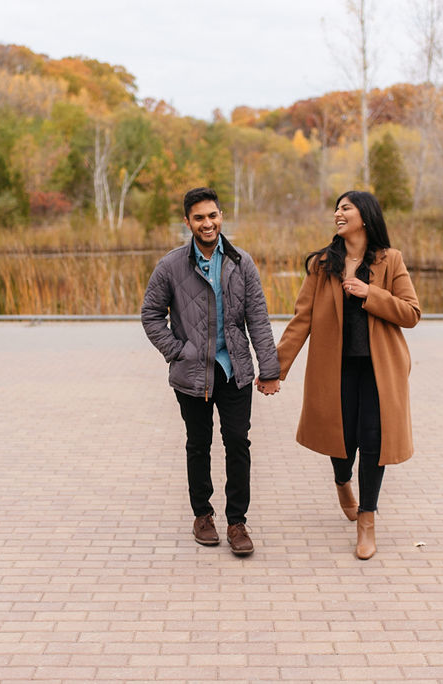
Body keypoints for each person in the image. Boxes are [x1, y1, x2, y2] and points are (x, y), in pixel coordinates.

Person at [261, 190, 420, 559]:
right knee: (341, 437)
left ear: (365, 216)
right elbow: (301, 320)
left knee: (374, 440)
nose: (337, 213)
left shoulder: (390, 261)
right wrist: (275, 370)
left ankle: (367, 520)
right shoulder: (322, 265)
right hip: (335, 368)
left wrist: (370, 293)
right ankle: (341, 480)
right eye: (336, 208)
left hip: (380, 370)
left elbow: (411, 313)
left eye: (345, 207)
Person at [141, 187, 281, 557]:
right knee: (198, 445)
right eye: (199, 217)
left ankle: (237, 522)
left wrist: (269, 369)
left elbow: (259, 319)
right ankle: (203, 515)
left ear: (221, 217)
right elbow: (151, 315)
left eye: (213, 216)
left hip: (234, 371)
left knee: (238, 442)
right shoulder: (170, 265)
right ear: (187, 222)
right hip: (192, 374)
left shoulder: (241, 261)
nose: (208, 223)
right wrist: (177, 351)